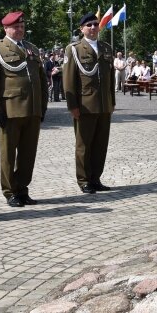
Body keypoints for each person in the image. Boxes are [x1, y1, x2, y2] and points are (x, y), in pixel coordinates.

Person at [0, 11, 48, 207]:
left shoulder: (32, 48)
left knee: (28, 154)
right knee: (9, 154)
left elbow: (42, 80)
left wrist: (42, 107)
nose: (19, 29)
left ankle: (22, 188)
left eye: (22, 26)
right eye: (15, 27)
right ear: (5, 28)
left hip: (32, 111)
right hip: (9, 111)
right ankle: (10, 191)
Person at [63, 13, 115, 194]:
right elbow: (69, 80)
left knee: (101, 144)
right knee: (84, 144)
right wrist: (73, 106)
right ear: (82, 29)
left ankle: (96, 178)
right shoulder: (74, 49)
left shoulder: (106, 48)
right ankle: (84, 180)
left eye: (95, 24)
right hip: (85, 105)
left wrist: (112, 102)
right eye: (89, 25)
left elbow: (110, 79)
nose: (93, 28)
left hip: (104, 105)